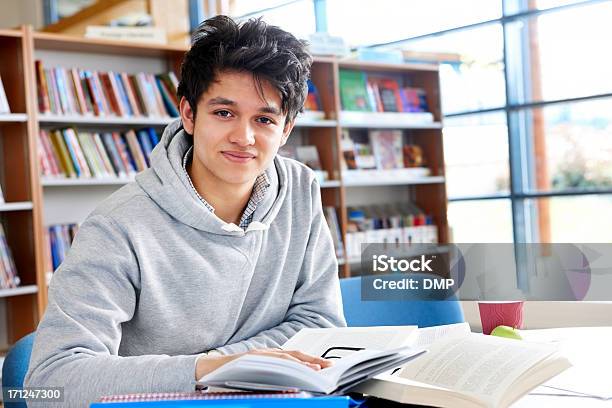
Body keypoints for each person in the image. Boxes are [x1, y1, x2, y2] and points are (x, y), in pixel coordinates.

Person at [25, 15, 346, 406]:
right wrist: (213, 370)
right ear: (189, 114)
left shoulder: (300, 189)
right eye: (224, 113)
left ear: (287, 129)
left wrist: (233, 366)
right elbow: (50, 382)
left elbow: (321, 325)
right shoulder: (118, 225)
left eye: (264, 119)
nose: (243, 138)